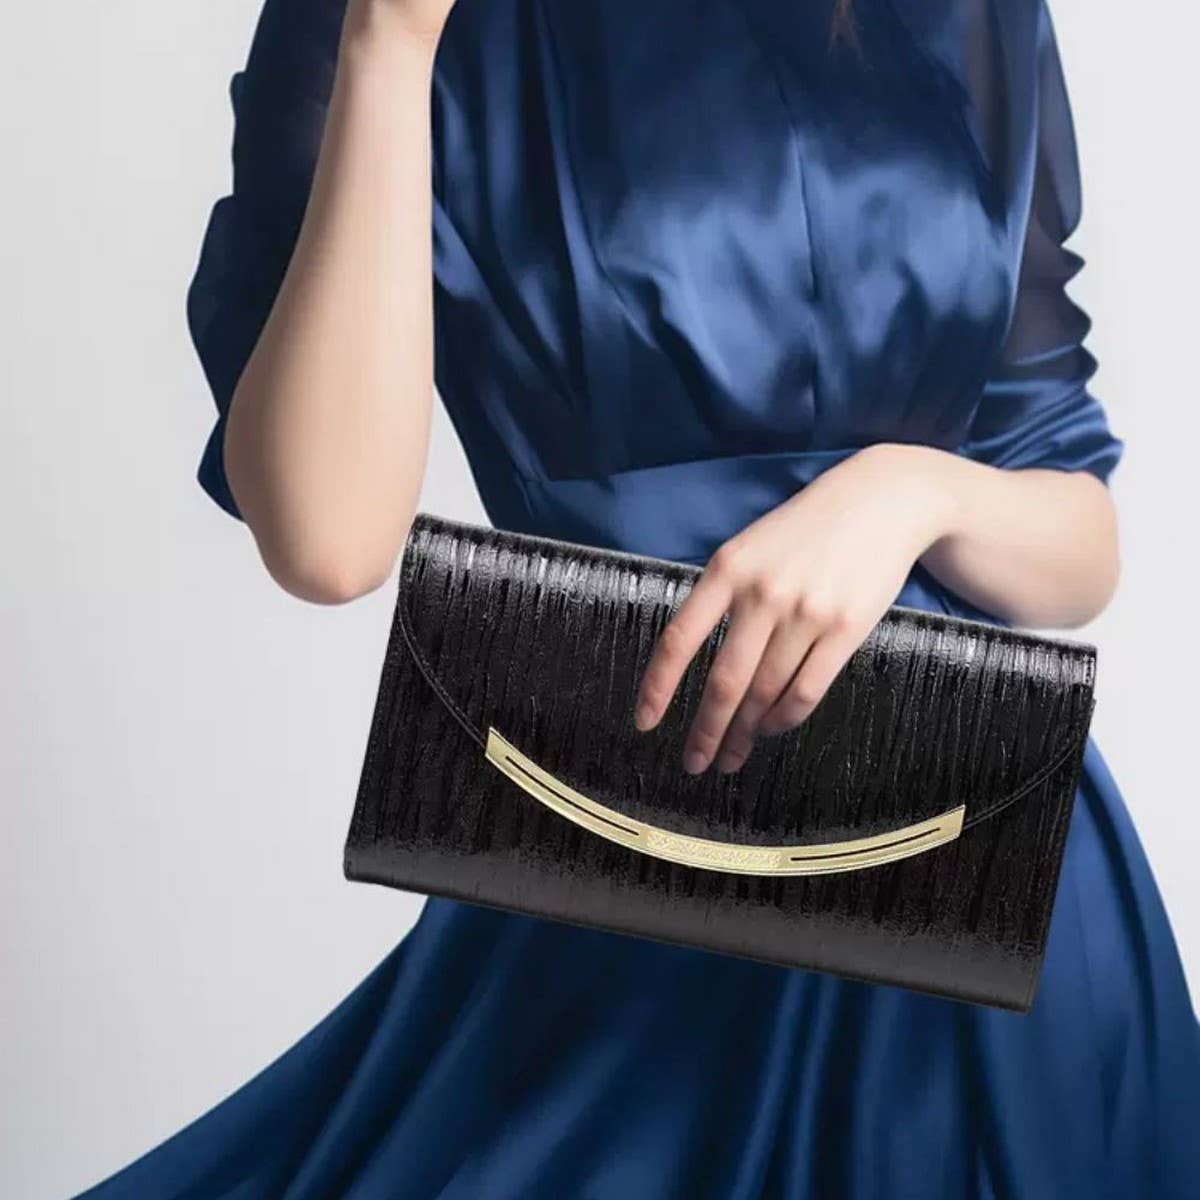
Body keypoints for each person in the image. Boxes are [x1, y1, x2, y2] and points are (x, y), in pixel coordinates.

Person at [75, 0, 1200, 1196]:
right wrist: (390, 45)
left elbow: (1079, 534)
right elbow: (327, 538)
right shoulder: (387, 26)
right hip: (638, 872)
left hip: (990, 880)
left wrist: (909, 493)